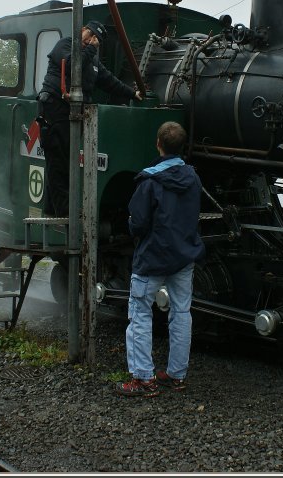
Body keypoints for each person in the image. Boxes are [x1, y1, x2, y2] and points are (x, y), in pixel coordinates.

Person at [115, 121, 206, 398]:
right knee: (181, 313)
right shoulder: (193, 178)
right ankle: (177, 374)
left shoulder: (149, 181)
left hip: (152, 258)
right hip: (184, 256)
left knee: (140, 314)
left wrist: (132, 228)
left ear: (158, 144)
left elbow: (138, 222)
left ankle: (144, 379)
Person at [36, 20, 142, 217]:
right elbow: (71, 67)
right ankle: (65, 213)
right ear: (82, 29)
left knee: (65, 162)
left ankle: (53, 211)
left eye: (96, 39)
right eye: (90, 34)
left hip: (72, 114)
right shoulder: (66, 44)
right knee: (58, 163)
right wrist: (91, 50)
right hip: (55, 109)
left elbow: (108, 80)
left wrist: (132, 93)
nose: (92, 39)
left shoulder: (92, 60)